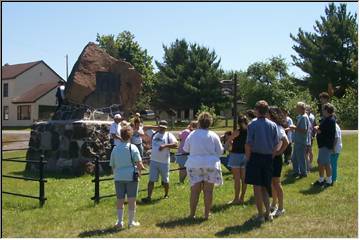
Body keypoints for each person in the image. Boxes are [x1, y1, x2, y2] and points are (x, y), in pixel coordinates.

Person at [183, 112, 224, 220]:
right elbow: (220, 151)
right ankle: (206, 214)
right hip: (211, 164)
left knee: (195, 191)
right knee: (208, 191)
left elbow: (185, 149)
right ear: (210, 123)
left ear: (199, 122)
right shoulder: (213, 135)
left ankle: (192, 214)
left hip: (194, 165)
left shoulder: (192, 134)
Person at [245, 100, 280, 222]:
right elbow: (277, 144)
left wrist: (248, 159)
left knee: (257, 187)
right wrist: (272, 155)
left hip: (255, 157)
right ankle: (268, 213)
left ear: (257, 111)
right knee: (265, 187)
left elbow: (249, 144)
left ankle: (260, 215)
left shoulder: (252, 124)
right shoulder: (273, 125)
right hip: (268, 158)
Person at [110, 126, 146, 228]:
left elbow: (112, 165)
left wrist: (116, 174)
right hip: (131, 177)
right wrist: (142, 169)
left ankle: (120, 222)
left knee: (120, 200)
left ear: (121, 135)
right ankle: (131, 222)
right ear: (130, 136)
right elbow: (139, 165)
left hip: (118, 177)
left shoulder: (115, 149)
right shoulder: (133, 147)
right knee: (131, 200)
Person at [141, 120, 178, 203]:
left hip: (164, 162)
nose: (162, 129)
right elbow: (144, 128)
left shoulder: (169, 135)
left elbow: (176, 144)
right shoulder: (154, 134)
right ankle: (149, 197)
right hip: (153, 161)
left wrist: (165, 145)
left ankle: (166, 195)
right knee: (151, 180)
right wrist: (149, 148)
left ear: (166, 128)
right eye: (160, 127)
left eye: (163, 127)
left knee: (165, 180)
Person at [268, 107, 289, 218]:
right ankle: (274, 204)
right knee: (272, 182)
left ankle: (281, 207)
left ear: (272, 116)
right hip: (270, 158)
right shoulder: (270, 126)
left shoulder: (278, 127)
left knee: (276, 182)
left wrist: (278, 152)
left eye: (267, 114)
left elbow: (286, 141)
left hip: (276, 159)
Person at [225, 115, 248, 205]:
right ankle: (242, 197)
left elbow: (228, 141)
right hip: (246, 155)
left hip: (236, 155)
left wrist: (229, 144)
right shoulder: (250, 132)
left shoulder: (237, 132)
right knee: (244, 179)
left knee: (237, 179)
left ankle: (236, 198)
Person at [313, 103, 336, 188]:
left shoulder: (330, 120)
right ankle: (322, 179)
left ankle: (328, 180)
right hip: (324, 144)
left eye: (323, 109)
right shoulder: (328, 119)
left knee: (325, 162)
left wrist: (317, 129)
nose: (322, 111)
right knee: (321, 162)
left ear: (327, 110)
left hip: (326, 144)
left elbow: (323, 131)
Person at [289, 102, 309, 178]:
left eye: (297, 107)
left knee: (300, 157)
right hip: (298, 140)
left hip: (301, 141)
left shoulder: (304, 117)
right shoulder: (301, 116)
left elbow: (304, 130)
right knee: (294, 158)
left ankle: (303, 173)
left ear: (301, 108)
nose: (296, 109)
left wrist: (295, 128)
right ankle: (296, 172)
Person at [305, 105, 316, 171]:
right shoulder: (312, 116)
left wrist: (313, 135)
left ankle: (308, 166)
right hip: (310, 136)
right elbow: (315, 125)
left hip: (308, 136)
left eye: (307, 109)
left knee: (307, 152)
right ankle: (309, 165)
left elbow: (314, 125)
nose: (306, 110)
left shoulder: (308, 117)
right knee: (309, 151)